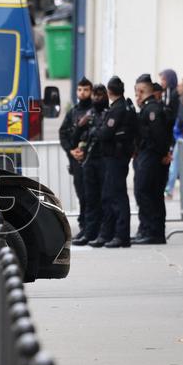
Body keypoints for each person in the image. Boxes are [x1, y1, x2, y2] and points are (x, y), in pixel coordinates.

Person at [89, 76, 135, 248]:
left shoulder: (118, 109)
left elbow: (105, 133)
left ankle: (121, 235)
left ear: (109, 92)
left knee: (117, 196)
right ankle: (108, 233)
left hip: (116, 157)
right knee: (108, 196)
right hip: (114, 157)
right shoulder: (122, 107)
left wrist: (96, 130)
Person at [131, 75, 173, 244]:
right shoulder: (148, 108)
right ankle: (147, 230)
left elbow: (158, 135)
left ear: (141, 91)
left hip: (152, 157)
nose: (136, 96)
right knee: (148, 193)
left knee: (146, 193)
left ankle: (152, 232)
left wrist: (163, 154)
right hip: (149, 156)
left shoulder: (152, 110)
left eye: (137, 92)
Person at [72, 84, 109, 246]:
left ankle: (103, 231)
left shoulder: (108, 113)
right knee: (89, 199)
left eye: (100, 95)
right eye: (95, 95)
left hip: (104, 160)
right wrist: (81, 124)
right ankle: (89, 231)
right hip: (89, 160)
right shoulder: (89, 114)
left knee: (104, 199)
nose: (96, 98)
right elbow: (73, 136)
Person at [58, 77, 94, 239]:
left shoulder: (94, 111)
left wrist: (85, 151)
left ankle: (92, 227)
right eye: (80, 89)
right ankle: (84, 226)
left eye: (86, 89)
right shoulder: (73, 112)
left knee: (91, 195)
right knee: (81, 195)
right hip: (76, 161)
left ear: (91, 91)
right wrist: (71, 151)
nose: (82, 93)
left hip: (91, 160)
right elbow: (63, 133)